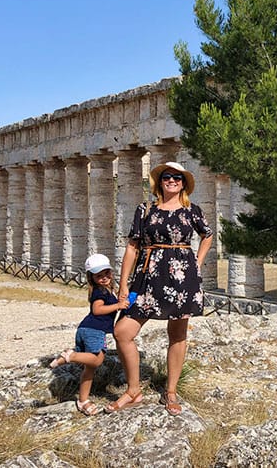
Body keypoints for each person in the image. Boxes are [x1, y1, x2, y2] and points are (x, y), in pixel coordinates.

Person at [106, 161, 213, 415]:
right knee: (122, 331)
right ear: (160, 181)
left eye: (177, 177)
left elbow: (207, 235)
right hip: (147, 277)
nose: (172, 181)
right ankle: (134, 390)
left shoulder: (192, 210)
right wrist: (123, 284)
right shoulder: (145, 210)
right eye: (167, 177)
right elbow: (132, 247)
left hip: (181, 279)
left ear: (184, 183)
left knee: (177, 334)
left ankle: (171, 391)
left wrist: (196, 264)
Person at [49, 253, 129, 416]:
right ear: (92, 278)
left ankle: (83, 400)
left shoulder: (108, 290)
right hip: (94, 330)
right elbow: (97, 310)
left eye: (106, 273)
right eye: (99, 276)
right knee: (97, 359)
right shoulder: (100, 292)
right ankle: (70, 356)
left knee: (90, 368)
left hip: (85, 329)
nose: (104, 277)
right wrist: (118, 306)